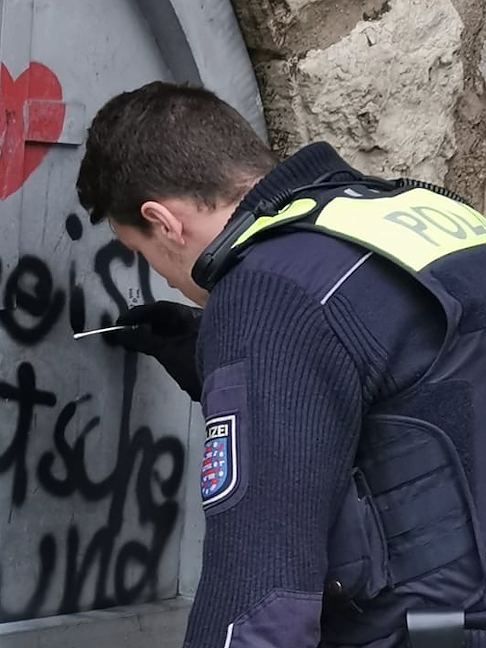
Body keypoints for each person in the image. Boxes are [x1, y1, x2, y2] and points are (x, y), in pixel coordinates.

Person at [75, 81, 486, 648]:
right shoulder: (421, 214)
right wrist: (208, 353)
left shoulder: (269, 291)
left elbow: (259, 603)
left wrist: (250, 337)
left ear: (164, 221)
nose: (161, 276)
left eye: (140, 252)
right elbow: (425, 393)